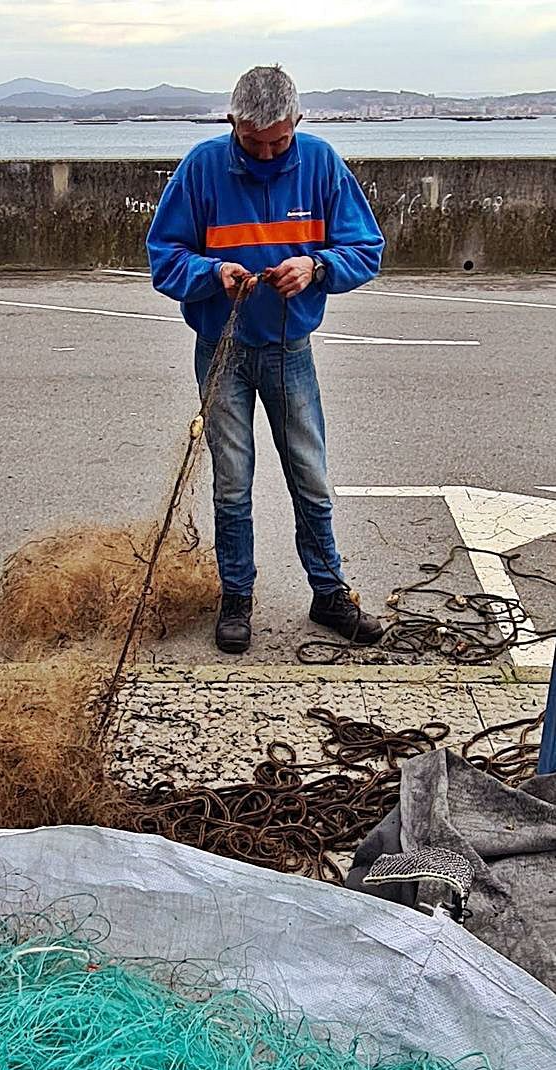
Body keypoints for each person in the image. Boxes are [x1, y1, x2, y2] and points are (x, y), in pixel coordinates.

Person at [147, 64, 385, 654]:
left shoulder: (321, 162)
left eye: (279, 141)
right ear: (232, 123)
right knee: (232, 482)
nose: (268, 153)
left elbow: (366, 247)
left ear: (297, 123)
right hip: (222, 352)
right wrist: (212, 274)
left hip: (290, 351)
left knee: (309, 475)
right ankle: (236, 596)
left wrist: (318, 267)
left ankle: (329, 592)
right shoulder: (202, 167)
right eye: (254, 143)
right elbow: (163, 258)